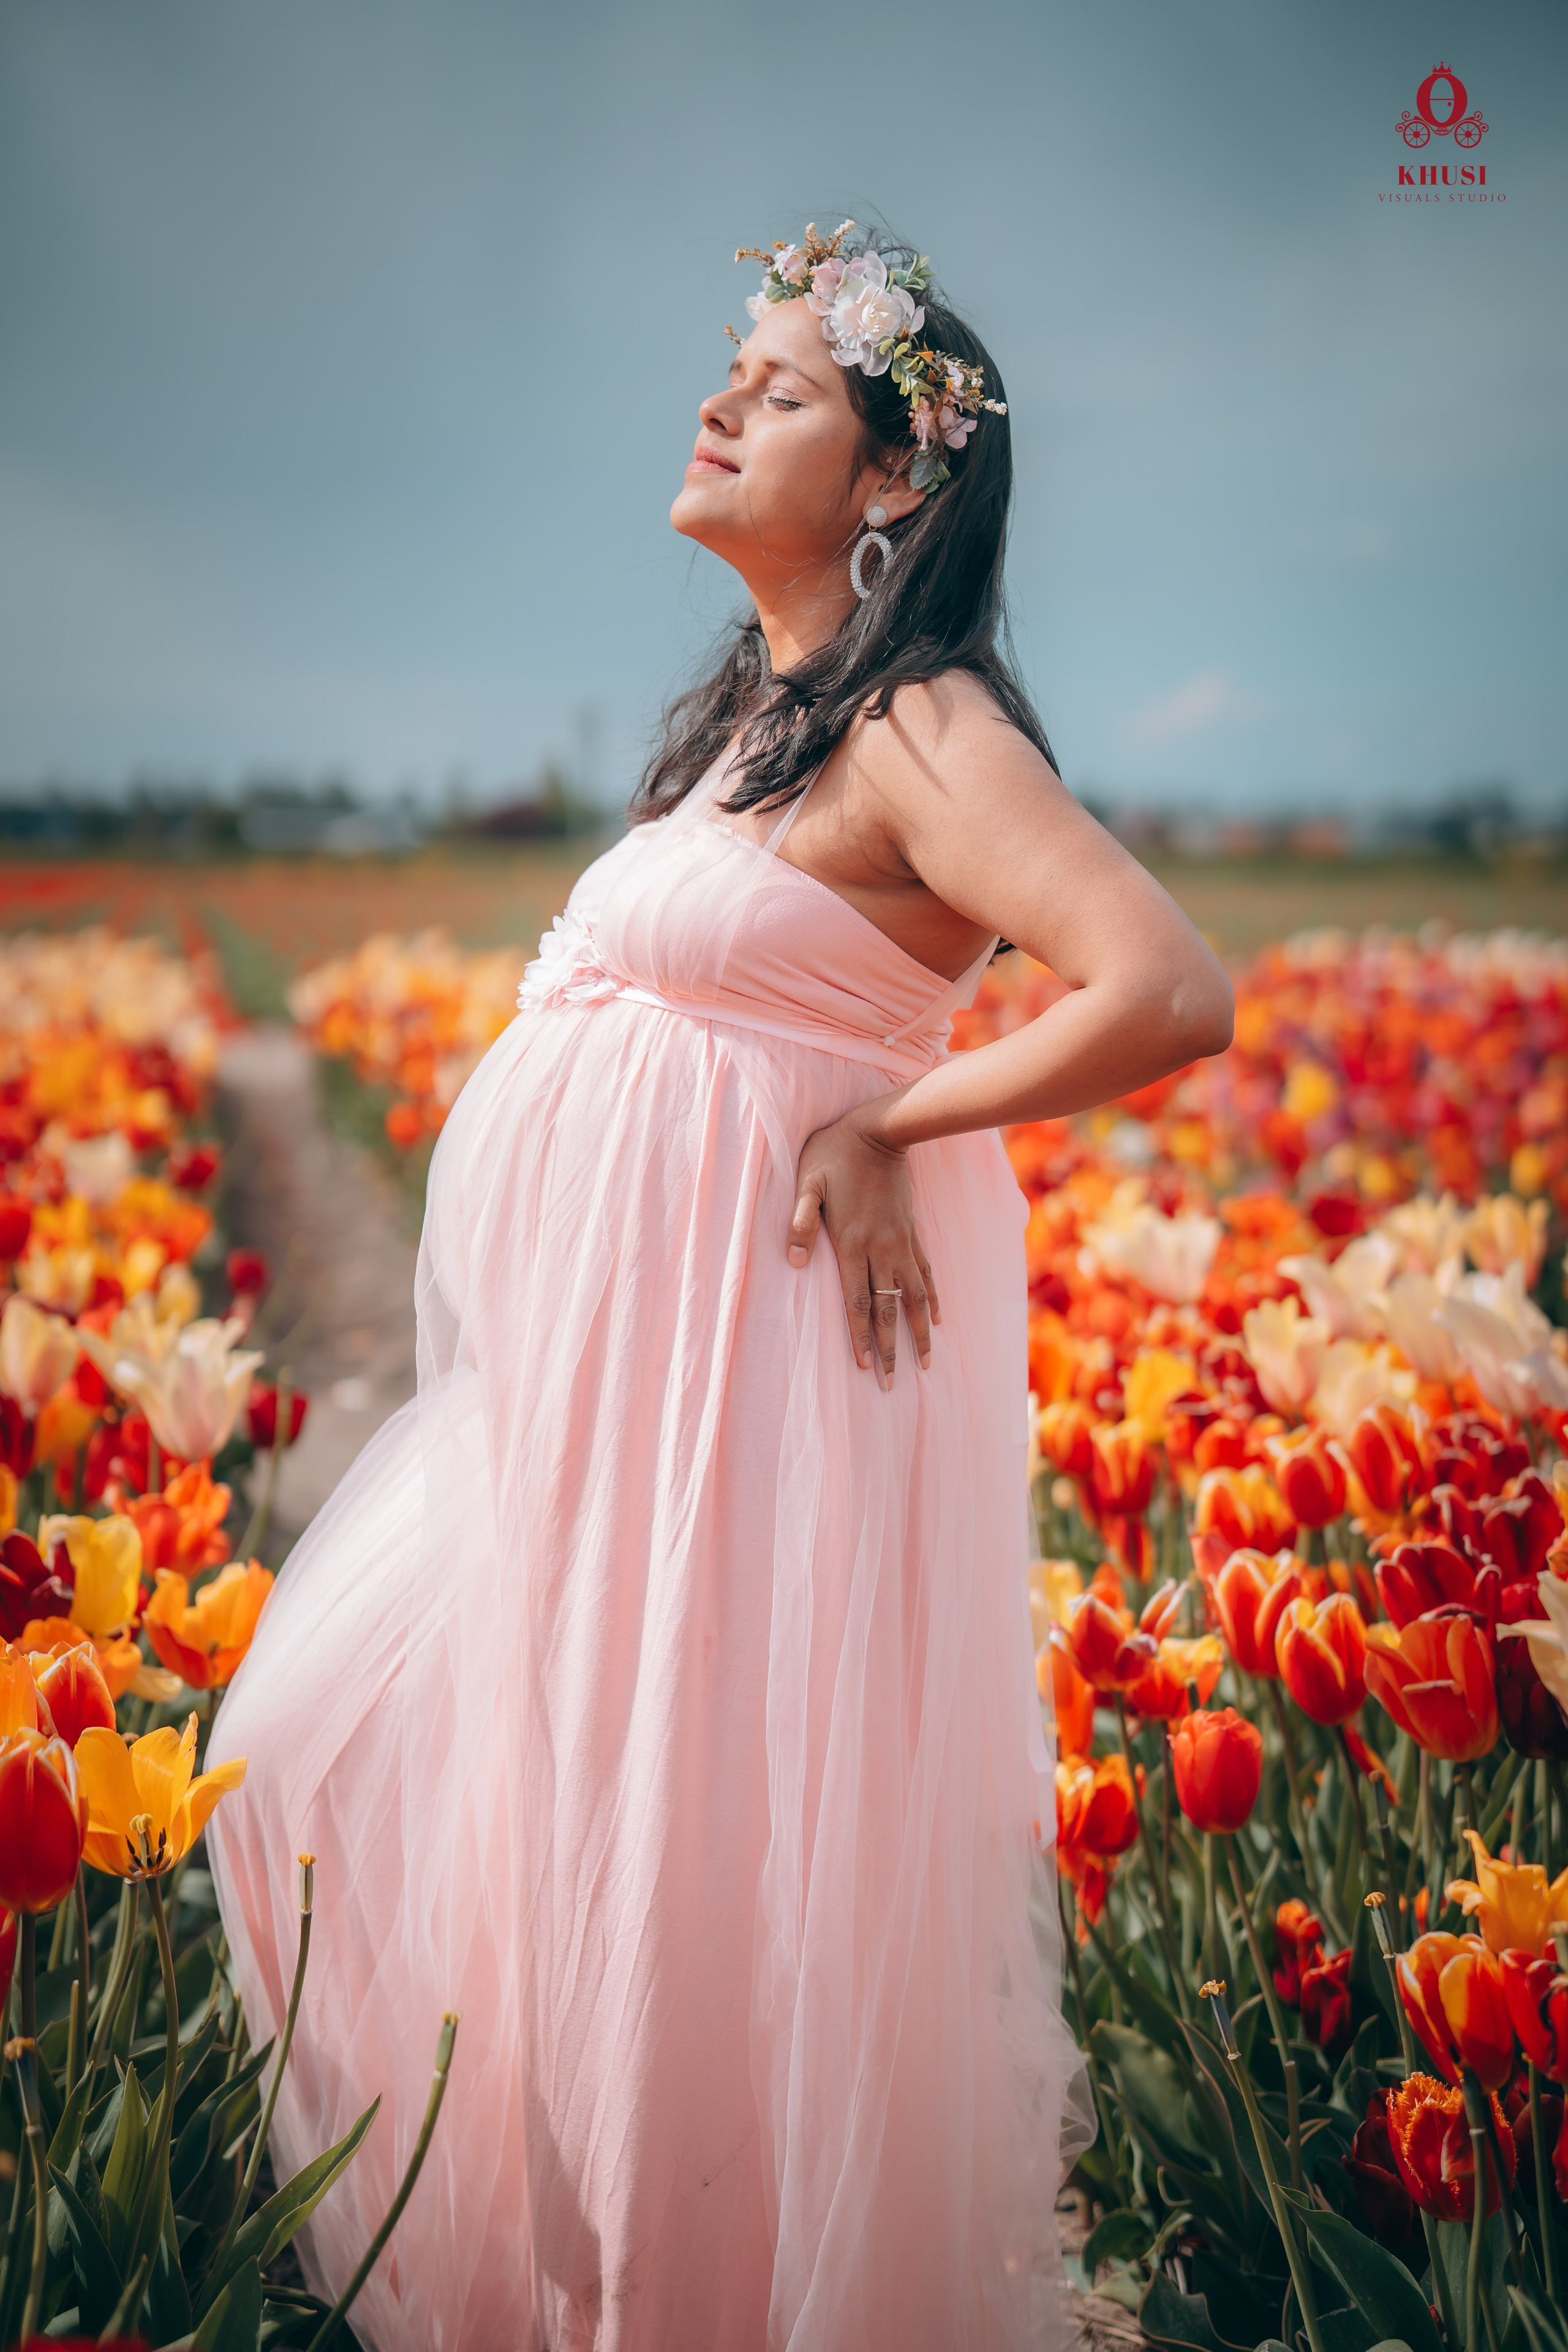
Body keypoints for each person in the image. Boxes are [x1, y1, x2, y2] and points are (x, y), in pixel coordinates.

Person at [206, 221, 1234, 2351]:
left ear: (887, 488)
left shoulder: (925, 723)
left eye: (777, 394)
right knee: (465, 1801)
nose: (717, 405)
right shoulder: (759, 723)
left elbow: (1165, 988)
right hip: (605, 1403)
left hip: (746, 1404)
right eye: (728, 373)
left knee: (681, 1869)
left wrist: (893, 1128)